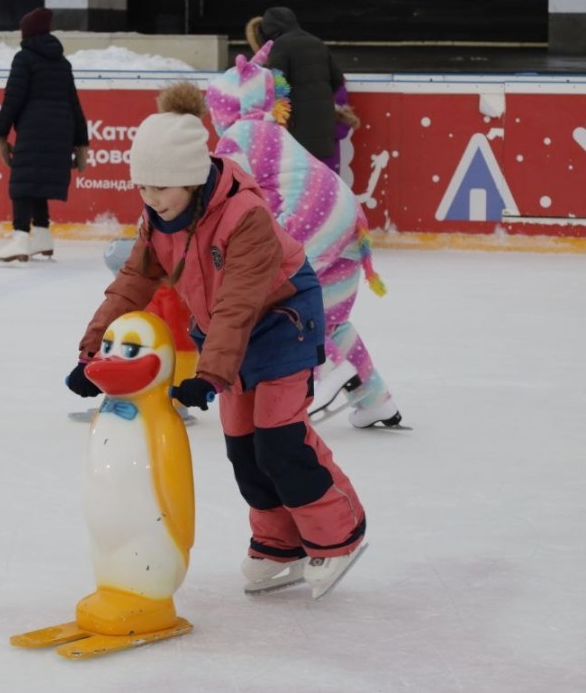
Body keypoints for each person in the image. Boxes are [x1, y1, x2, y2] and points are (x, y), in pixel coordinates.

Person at [65, 86, 367, 598]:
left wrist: (207, 375)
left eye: (161, 187)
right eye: (143, 187)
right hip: (226, 333)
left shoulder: (244, 216)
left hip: (282, 320)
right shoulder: (157, 220)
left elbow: (239, 303)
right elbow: (131, 285)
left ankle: (338, 535)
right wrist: (91, 352)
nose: (152, 198)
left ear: (191, 176)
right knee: (243, 447)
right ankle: (279, 544)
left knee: (280, 438)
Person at [207, 44, 401, 428]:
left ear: (222, 108)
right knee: (331, 320)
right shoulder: (269, 129)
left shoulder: (236, 138)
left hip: (309, 221)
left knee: (275, 297)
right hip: (344, 217)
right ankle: (373, 400)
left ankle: (328, 369)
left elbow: (224, 200)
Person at [0, 7, 89, 262]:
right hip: (61, 131)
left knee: (23, 185)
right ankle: (43, 235)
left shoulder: (24, 59)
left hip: (34, 129)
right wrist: (81, 142)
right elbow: (74, 104)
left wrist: (0, 132)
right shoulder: (62, 62)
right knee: (36, 183)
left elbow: (12, 98)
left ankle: (20, 239)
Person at [260, 6, 344, 169]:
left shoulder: (281, 45)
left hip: (298, 125)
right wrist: (320, 100)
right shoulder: (317, 42)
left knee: (300, 178)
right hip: (325, 119)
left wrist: (284, 115)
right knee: (320, 175)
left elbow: (277, 82)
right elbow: (338, 79)